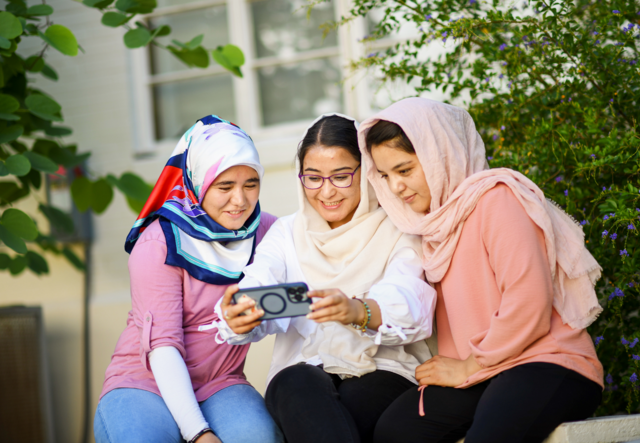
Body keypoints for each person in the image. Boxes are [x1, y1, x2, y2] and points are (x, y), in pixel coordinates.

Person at [356, 98, 604, 443]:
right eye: (385, 175)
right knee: (395, 431)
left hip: (546, 361)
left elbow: (528, 301)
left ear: (440, 155)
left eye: (405, 170)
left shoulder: (496, 199)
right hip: (484, 372)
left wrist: (469, 366)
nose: (395, 187)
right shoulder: (431, 226)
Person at [213, 114, 436, 443]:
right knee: (294, 383)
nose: (326, 191)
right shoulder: (288, 232)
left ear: (365, 173)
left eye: (341, 176)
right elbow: (260, 283)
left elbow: (411, 301)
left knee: (352, 404)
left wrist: (357, 311)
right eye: (313, 178)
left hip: (386, 366)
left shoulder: (400, 226)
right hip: (306, 370)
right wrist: (240, 314)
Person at [94, 116, 283, 443]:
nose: (240, 200)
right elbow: (163, 347)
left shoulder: (267, 231)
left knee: (259, 437)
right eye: (224, 186)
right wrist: (198, 433)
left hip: (220, 382)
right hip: (145, 382)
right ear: (197, 181)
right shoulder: (159, 242)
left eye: (250, 184)